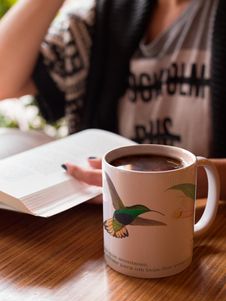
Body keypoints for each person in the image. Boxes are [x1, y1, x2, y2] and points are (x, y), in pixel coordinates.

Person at [0, 0, 226, 201]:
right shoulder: (99, 17)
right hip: (101, 225)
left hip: (206, 222)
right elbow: (4, 81)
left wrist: (185, 180)